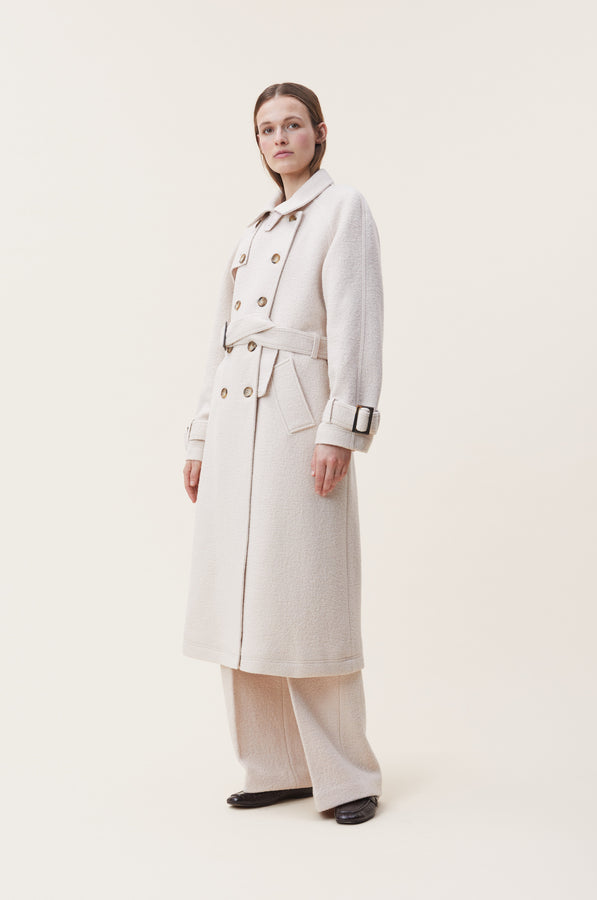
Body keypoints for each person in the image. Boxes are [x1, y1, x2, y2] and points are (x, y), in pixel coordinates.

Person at [182, 82, 384, 825]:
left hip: (298, 423)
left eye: (292, 124)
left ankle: (348, 777)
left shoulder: (343, 208)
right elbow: (222, 340)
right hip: (237, 425)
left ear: (319, 132)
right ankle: (275, 766)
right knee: (243, 600)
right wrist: (201, 434)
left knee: (308, 598)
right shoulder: (253, 229)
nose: (280, 138)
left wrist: (341, 428)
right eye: (267, 128)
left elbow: (357, 319)